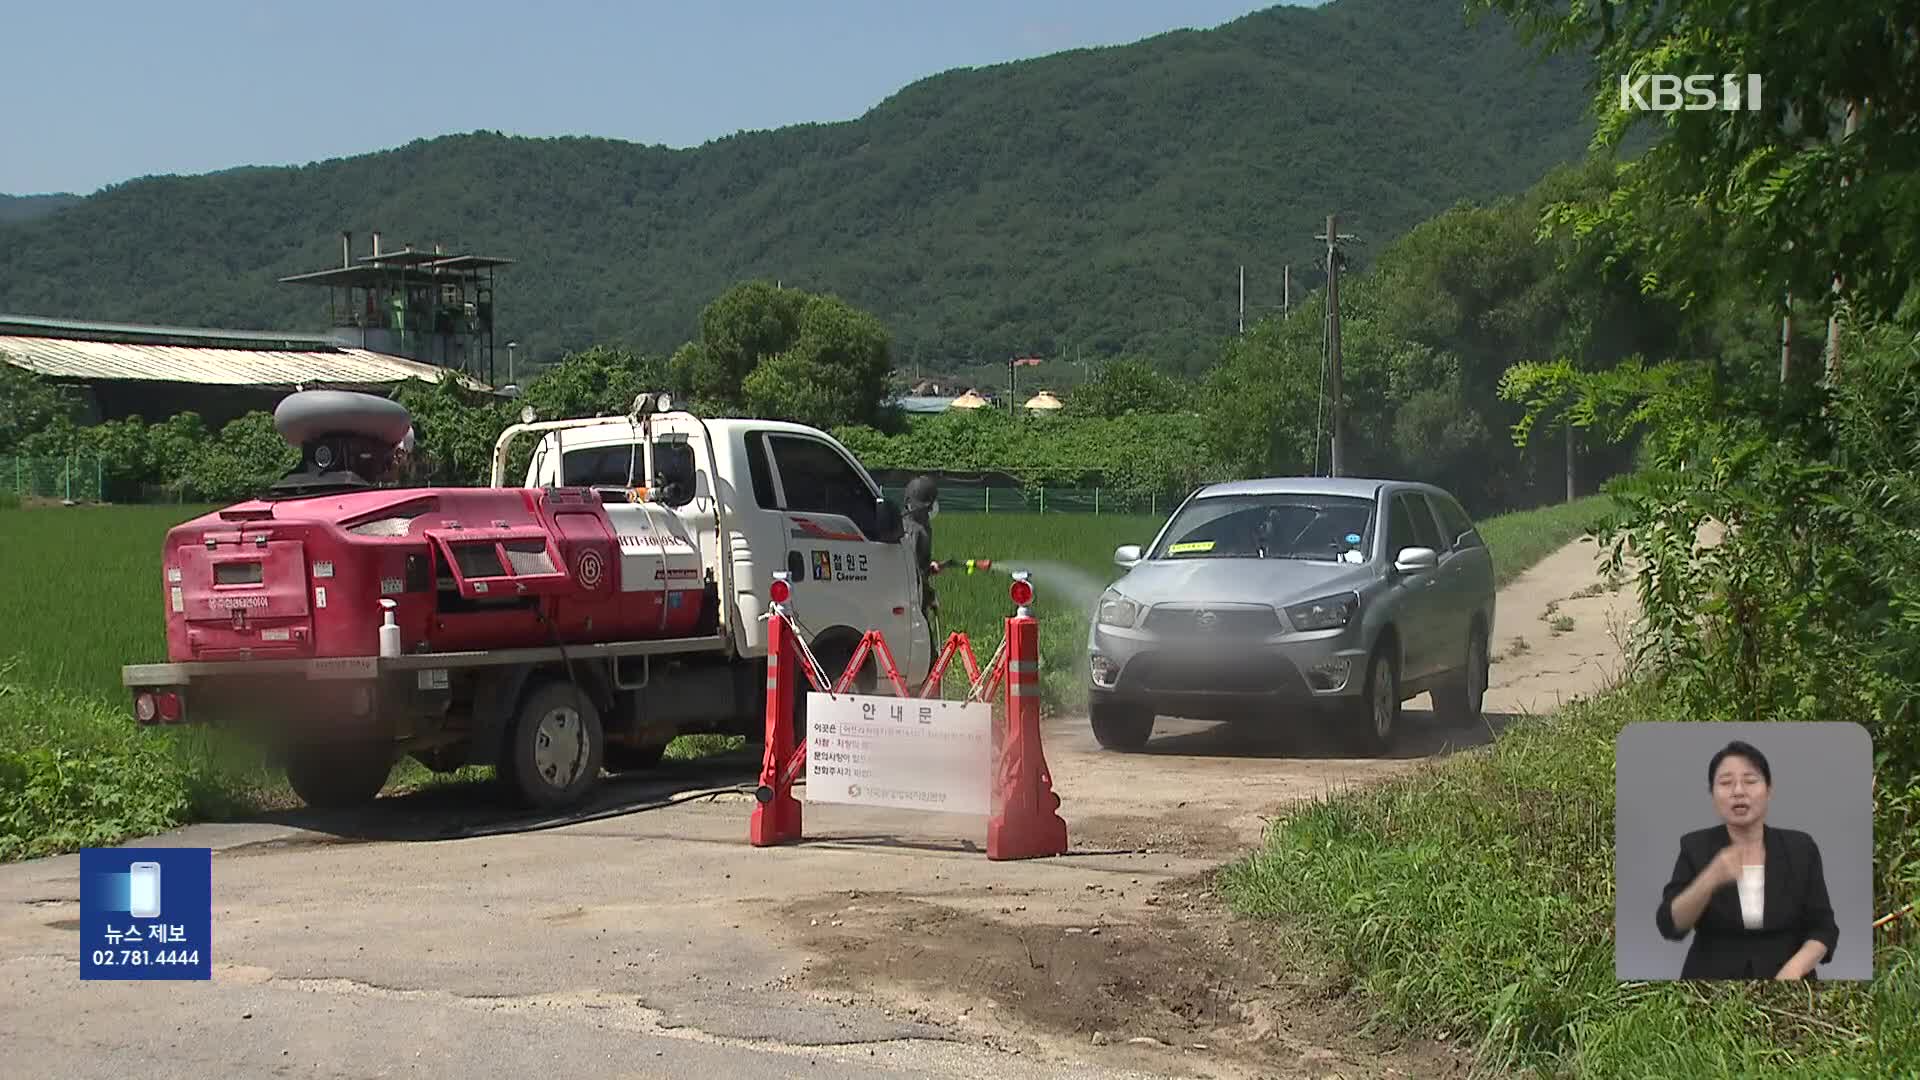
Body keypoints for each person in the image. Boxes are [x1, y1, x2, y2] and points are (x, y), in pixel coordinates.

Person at [1655, 740, 1839, 979]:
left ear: (1769, 790)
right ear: (1712, 794)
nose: (1738, 791)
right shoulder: (1695, 847)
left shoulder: (1801, 848)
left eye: (1750, 781)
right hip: (1711, 986)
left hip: (1790, 982)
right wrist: (1710, 878)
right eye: (1725, 783)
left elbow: (1824, 928)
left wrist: (1793, 972)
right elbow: (1670, 925)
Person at [902, 475, 940, 622]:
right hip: (913, 602)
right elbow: (914, 571)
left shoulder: (909, 524)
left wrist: (928, 566)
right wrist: (930, 596)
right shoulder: (916, 531)